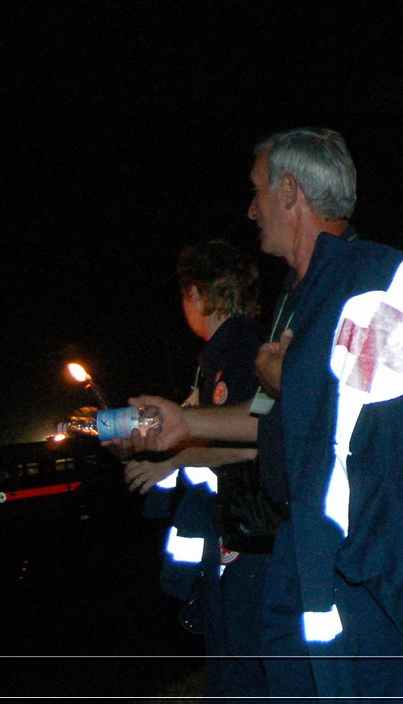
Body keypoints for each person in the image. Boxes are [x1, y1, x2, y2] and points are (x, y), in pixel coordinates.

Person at [131, 128, 403, 699]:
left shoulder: (376, 282)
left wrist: (288, 380)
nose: (250, 208)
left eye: (257, 190)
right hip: (304, 548)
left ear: (290, 192)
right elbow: (280, 418)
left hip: (361, 561)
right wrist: (184, 424)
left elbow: (377, 426)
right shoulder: (301, 296)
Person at [123, 239, 269, 697]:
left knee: (245, 673)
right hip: (229, 539)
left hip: (251, 541)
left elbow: (256, 440)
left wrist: (175, 456)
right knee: (230, 671)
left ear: (199, 295)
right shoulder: (216, 358)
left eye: (185, 293)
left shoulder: (241, 349)